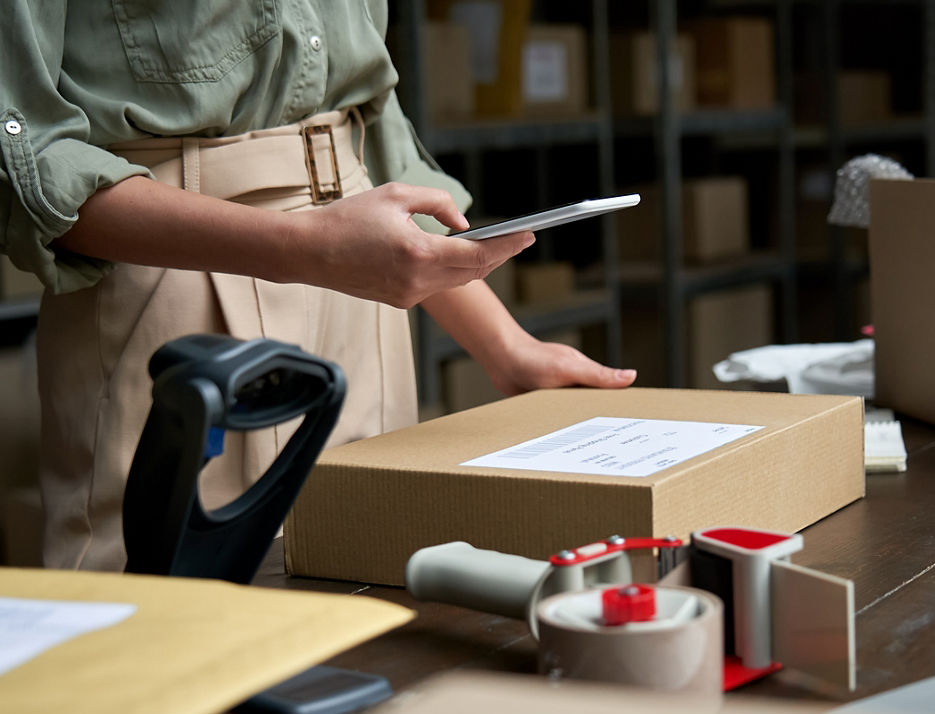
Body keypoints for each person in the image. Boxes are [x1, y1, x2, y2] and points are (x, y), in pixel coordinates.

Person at [0, 1, 636, 572]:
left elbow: (374, 134)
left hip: (360, 301)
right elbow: (30, 161)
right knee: (174, 622)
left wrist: (508, 348)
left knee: (374, 581)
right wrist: (312, 248)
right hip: (183, 283)